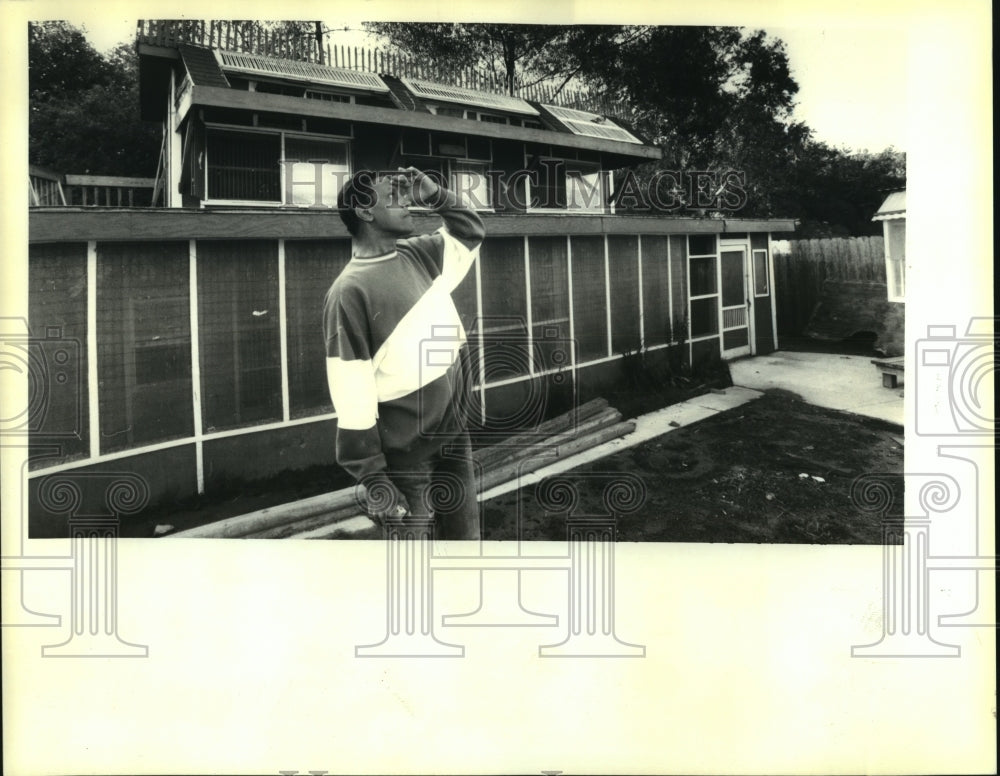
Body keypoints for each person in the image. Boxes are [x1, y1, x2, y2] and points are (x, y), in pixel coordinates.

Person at [323, 167, 485, 539]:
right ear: (365, 212)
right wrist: (374, 478)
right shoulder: (348, 291)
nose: (408, 203)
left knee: (465, 546)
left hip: (455, 437)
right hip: (408, 461)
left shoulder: (418, 255)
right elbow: (351, 392)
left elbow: (470, 231)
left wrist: (435, 193)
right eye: (394, 198)